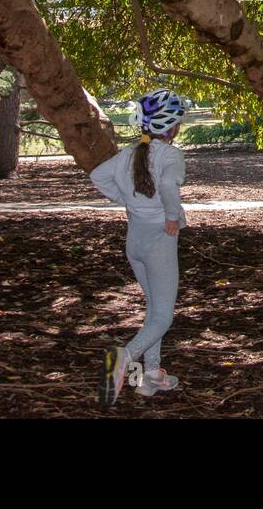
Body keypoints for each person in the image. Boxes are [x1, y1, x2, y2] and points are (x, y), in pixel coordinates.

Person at [90, 88, 188, 404]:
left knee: (153, 310)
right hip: (160, 240)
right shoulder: (171, 155)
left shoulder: (130, 153)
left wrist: (126, 202)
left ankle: (153, 375)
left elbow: (97, 176)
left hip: (135, 242)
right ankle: (122, 360)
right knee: (163, 317)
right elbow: (168, 185)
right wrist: (172, 215)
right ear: (171, 126)